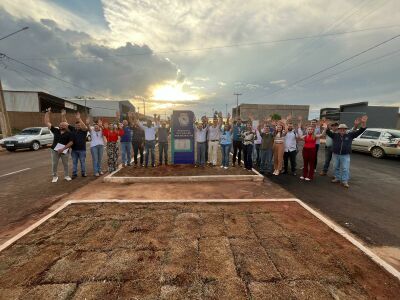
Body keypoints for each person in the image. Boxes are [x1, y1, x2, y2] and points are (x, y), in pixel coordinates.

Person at [326, 116, 368, 188]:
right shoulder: (335, 135)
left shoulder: (350, 135)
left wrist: (363, 122)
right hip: (335, 154)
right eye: (340, 129)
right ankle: (337, 178)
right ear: (338, 130)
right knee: (335, 167)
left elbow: (361, 130)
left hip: (345, 155)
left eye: (344, 129)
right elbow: (327, 131)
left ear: (346, 130)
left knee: (345, 168)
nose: (342, 130)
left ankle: (345, 181)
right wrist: (327, 125)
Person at [44, 108, 73, 183]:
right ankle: (54, 176)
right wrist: (47, 113)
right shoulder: (55, 130)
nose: (61, 126)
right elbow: (47, 122)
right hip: (54, 150)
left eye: (63, 125)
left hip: (65, 150)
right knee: (54, 164)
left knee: (65, 164)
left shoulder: (69, 133)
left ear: (66, 126)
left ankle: (66, 175)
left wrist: (63, 149)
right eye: (60, 125)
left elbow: (71, 143)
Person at [62, 110, 88, 179]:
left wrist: (79, 118)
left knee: (83, 162)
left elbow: (85, 127)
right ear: (75, 126)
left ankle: (83, 172)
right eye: (76, 125)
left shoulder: (84, 131)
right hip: (74, 150)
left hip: (82, 150)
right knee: (74, 163)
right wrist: (63, 116)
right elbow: (66, 123)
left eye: (79, 125)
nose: (78, 126)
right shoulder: (73, 129)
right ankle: (74, 174)